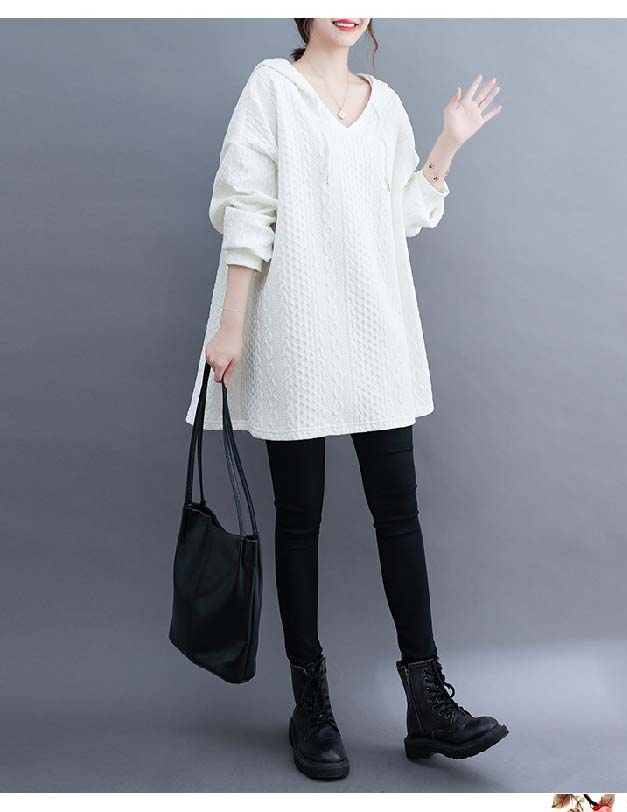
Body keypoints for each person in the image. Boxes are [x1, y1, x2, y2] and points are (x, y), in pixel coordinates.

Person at [185, 18, 507, 781]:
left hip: (375, 333)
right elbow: (247, 208)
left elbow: (403, 215)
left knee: (400, 516)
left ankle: (427, 703)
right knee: (300, 519)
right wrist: (230, 325)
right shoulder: (271, 88)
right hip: (296, 332)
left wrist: (448, 142)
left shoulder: (385, 104)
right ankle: (311, 705)